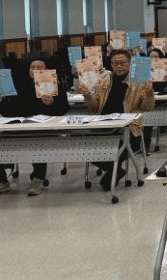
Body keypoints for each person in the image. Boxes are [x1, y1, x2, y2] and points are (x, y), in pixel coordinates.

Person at [78, 49, 154, 190]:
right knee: (84, 148)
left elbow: (147, 107)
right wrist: (88, 96)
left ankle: (113, 171)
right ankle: (116, 170)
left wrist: (149, 93)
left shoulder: (139, 83)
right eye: (115, 63)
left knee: (117, 147)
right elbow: (94, 108)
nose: (119, 66)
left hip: (128, 127)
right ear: (111, 65)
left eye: (122, 63)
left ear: (130, 64)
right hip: (103, 125)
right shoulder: (103, 82)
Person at [0, 56, 70, 195]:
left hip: (43, 128)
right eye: (33, 67)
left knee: (38, 142)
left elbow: (63, 109)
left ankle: (38, 178)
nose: (36, 70)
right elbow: (7, 112)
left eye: (40, 67)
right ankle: (2, 181)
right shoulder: (19, 85)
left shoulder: (54, 85)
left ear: (46, 69)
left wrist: (51, 104)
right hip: (19, 126)